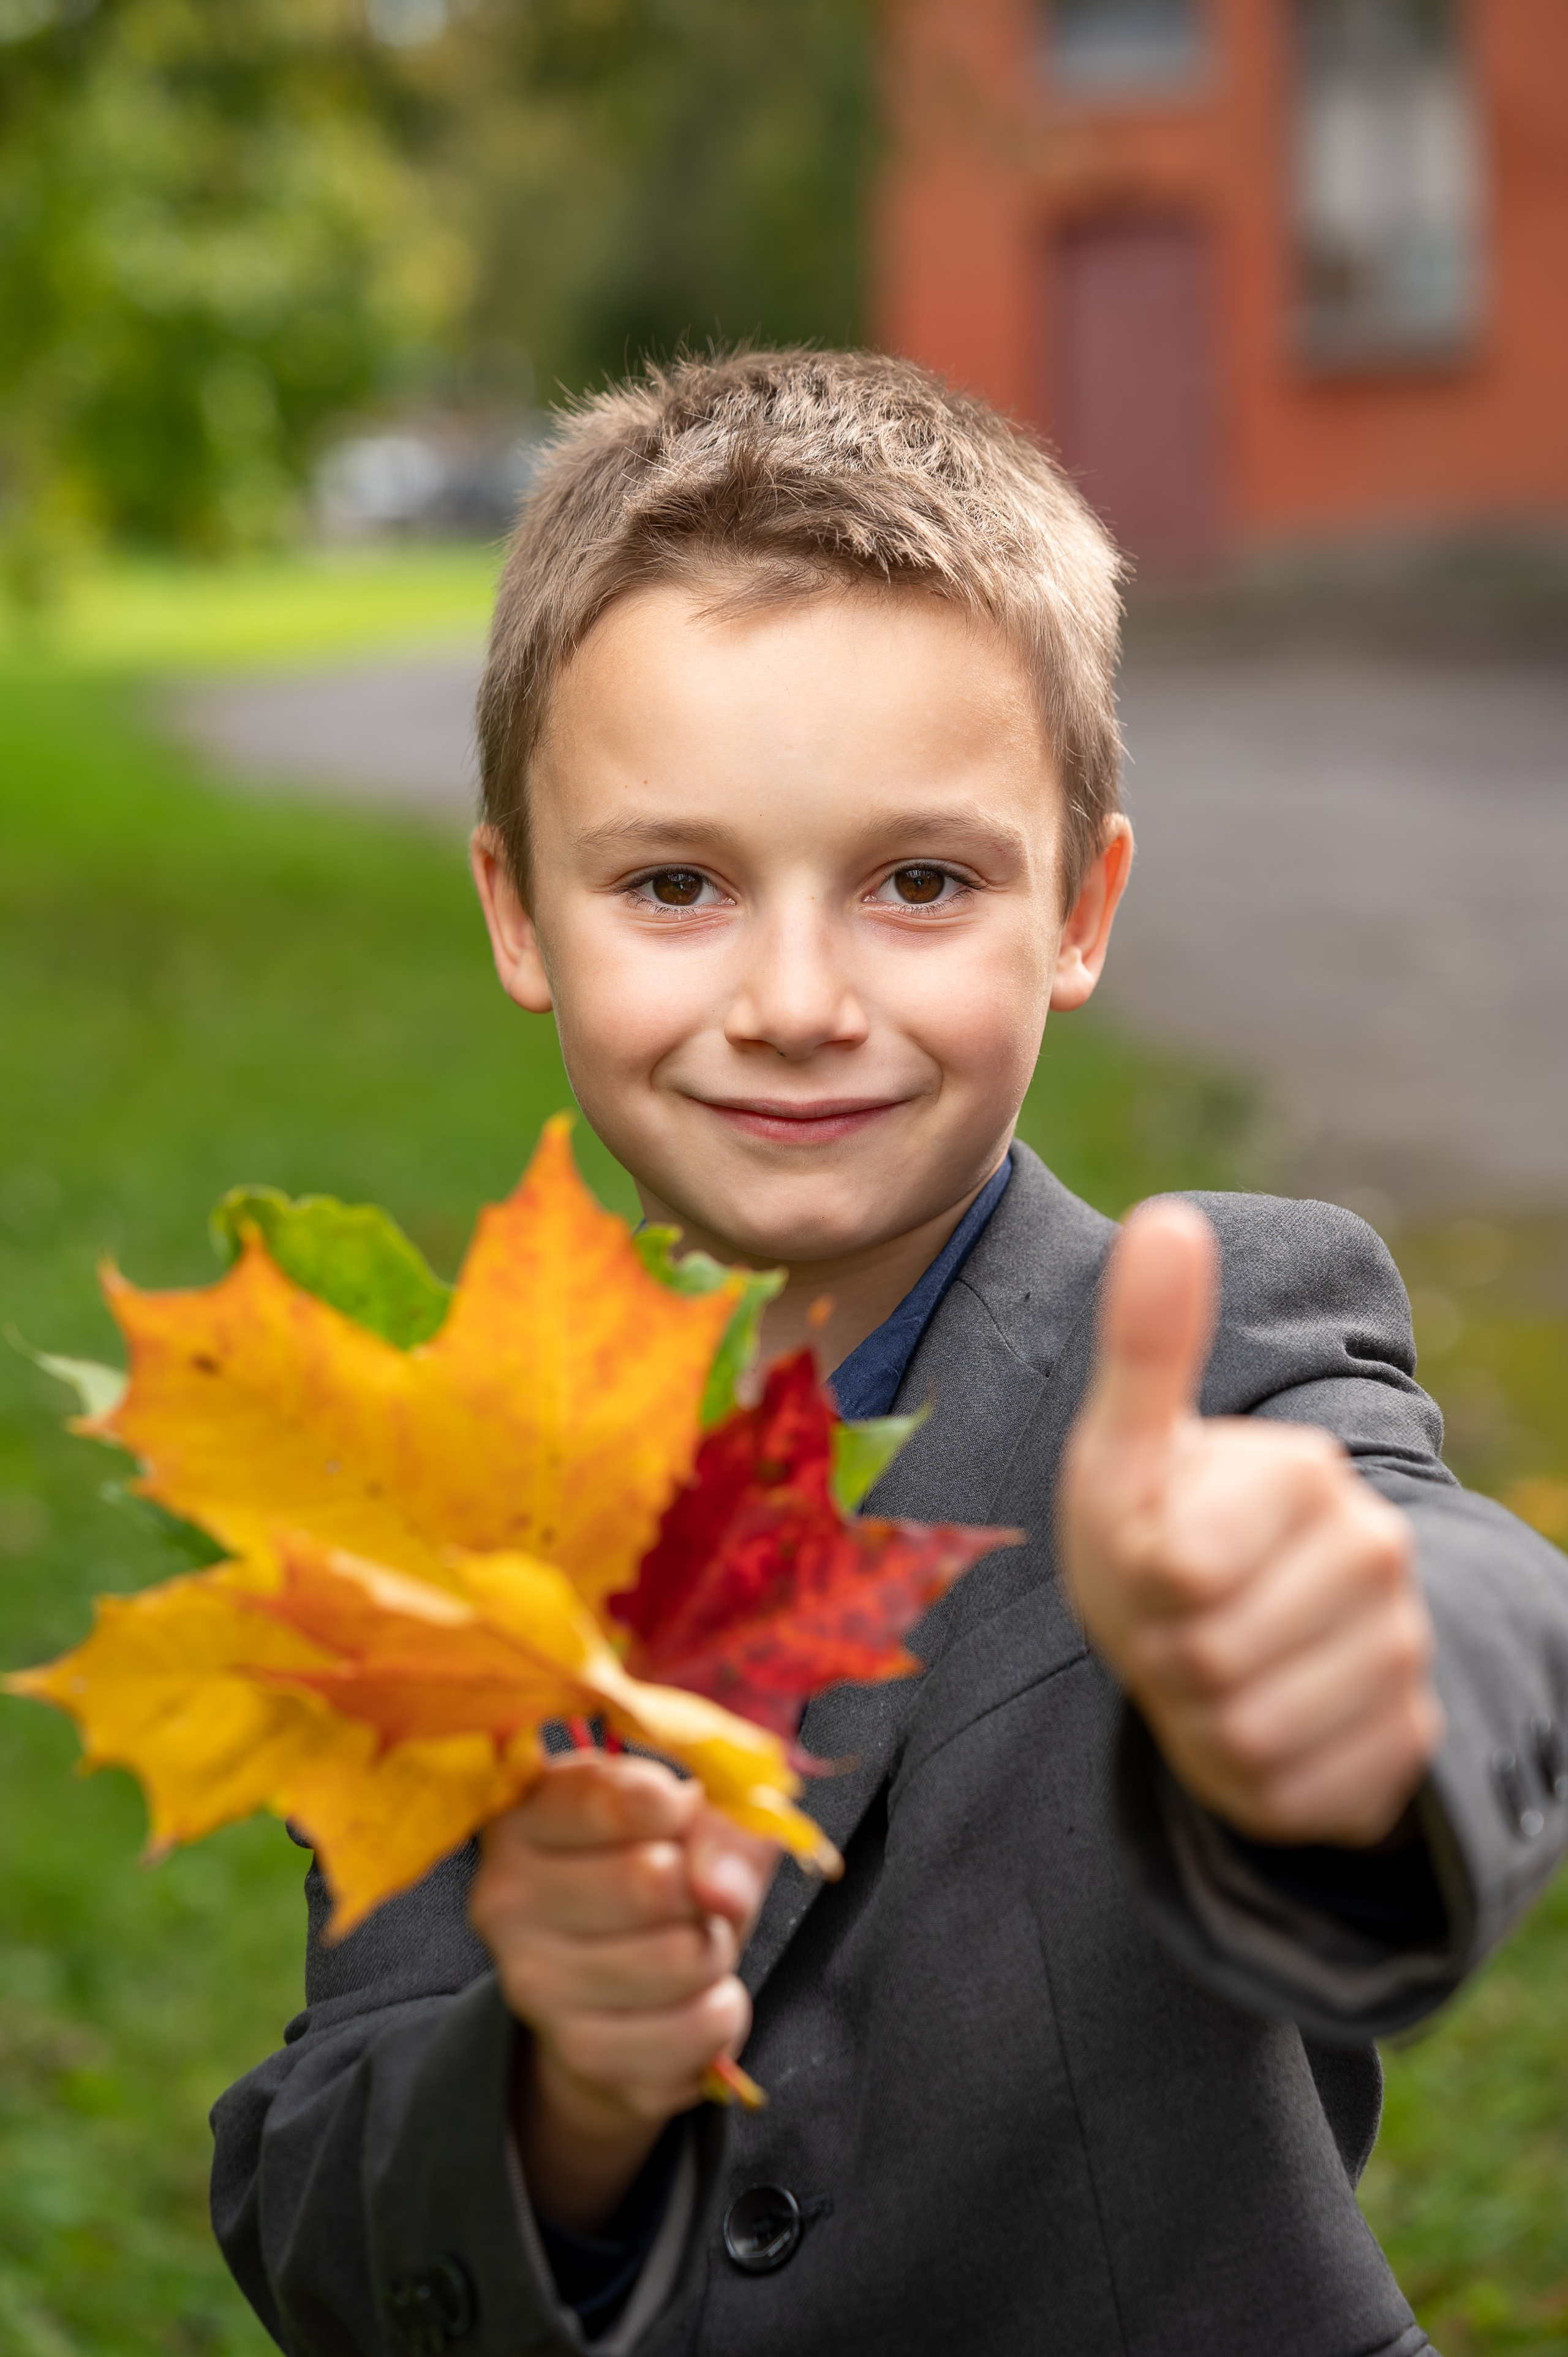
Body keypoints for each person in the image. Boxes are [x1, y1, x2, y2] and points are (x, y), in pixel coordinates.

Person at [211, 350, 1568, 2357]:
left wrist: (1359, 1661)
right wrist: (563, 2090)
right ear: (517, 913)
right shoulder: (428, 1511)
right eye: (674, 885)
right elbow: (333, 2207)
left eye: (919, 884)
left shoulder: (1217, 1349)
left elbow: (1467, 1589)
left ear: (1080, 909)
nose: (793, 1000)